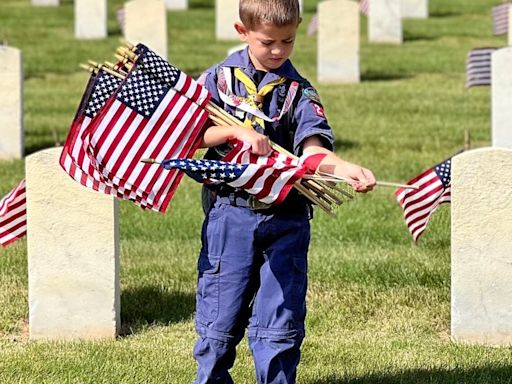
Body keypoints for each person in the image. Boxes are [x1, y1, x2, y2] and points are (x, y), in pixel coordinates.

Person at [194, 1, 376, 383]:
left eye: (288, 41)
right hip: (232, 215)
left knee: (280, 322)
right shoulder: (217, 81)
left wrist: (343, 168)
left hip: (286, 218)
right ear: (242, 31)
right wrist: (234, 132)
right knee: (218, 319)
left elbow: (313, 149)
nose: (278, 50)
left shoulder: (298, 91)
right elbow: (190, 136)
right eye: (268, 42)